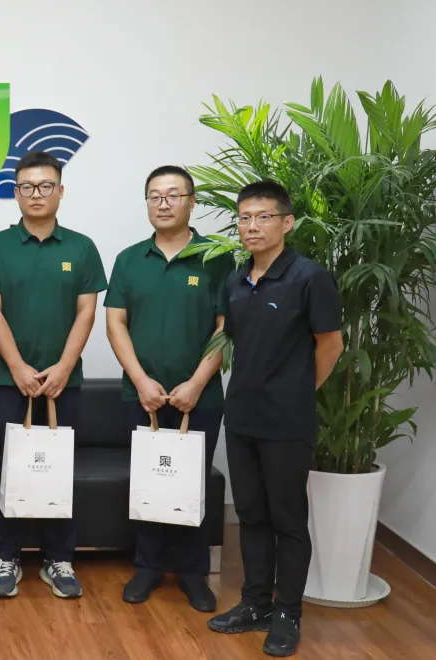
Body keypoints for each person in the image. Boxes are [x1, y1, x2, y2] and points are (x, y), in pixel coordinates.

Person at [207, 180, 343, 657]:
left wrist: (298, 393)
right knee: (251, 515)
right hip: (242, 417)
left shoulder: (309, 277)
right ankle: (255, 603)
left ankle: (288, 613)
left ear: (287, 223)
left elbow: (331, 345)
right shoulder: (236, 280)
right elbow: (235, 341)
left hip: (287, 422)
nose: (252, 226)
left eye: (263, 217)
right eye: (244, 217)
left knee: (288, 519)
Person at [0, 150, 107, 599]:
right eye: (28, 187)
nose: (37, 194)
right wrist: (17, 367)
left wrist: (64, 367)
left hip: (63, 382)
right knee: (8, 470)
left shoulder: (81, 247)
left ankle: (58, 559)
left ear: (60, 191)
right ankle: (5, 557)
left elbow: (87, 312)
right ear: (15, 193)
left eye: (46, 186)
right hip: (8, 381)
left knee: (59, 470)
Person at [105, 165, 232, 612]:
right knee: (147, 480)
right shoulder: (129, 259)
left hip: (201, 396)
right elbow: (115, 323)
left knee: (192, 483)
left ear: (192, 202)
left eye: (173, 195)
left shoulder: (217, 258)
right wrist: (141, 380)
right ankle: (147, 567)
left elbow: (226, 327)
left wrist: (196, 383)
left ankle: (194, 573)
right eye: (155, 195)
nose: (163, 203)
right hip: (142, 395)